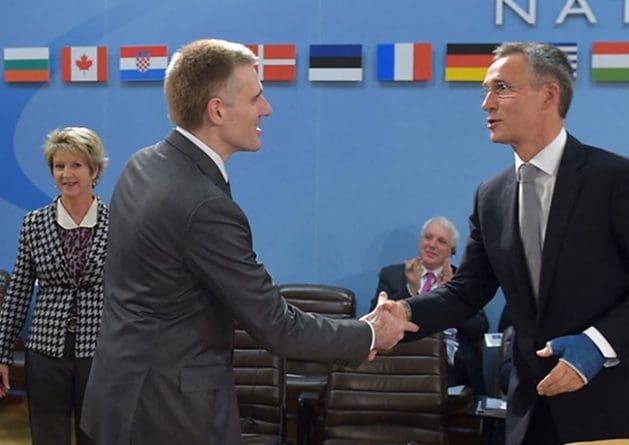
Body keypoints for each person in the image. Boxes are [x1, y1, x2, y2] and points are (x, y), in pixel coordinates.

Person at [80, 39, 416, 445]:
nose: (267, 108)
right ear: (217, 110)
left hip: (117, 400)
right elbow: (276, 326)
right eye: (256, 97)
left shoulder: (143, 164)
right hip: (172, 417)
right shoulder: (202, 204)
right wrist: (369, 333)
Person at [377, 42, 629, 444]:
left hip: (608, 406)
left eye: (502, 88)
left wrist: (597, 345)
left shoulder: (615, 178)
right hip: (529, 407)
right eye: (485, 91)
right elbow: (467, 290)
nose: (486, 104)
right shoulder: (491, 195)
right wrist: (403, 311)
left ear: (549, 95)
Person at [0, 127, 109, 445]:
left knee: (99, 436)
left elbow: (130, 293)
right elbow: (19, 291)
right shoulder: (34, 224)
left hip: (100, 353)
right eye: (59, 166)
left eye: (76, 165)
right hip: (46, 354)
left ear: (94, 171)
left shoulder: (118, 223)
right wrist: (2, 354)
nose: (67, 174)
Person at [372, 216, 489, 394]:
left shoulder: (462, 279)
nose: (432, 245)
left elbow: (479, 327)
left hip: (450, 365)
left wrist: (452, 298)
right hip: (401, 359)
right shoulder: (393, 275)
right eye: (428, 237)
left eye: (441, 241)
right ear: (420, 242)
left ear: (452, 251)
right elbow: (375, 321)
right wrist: (410, 291)